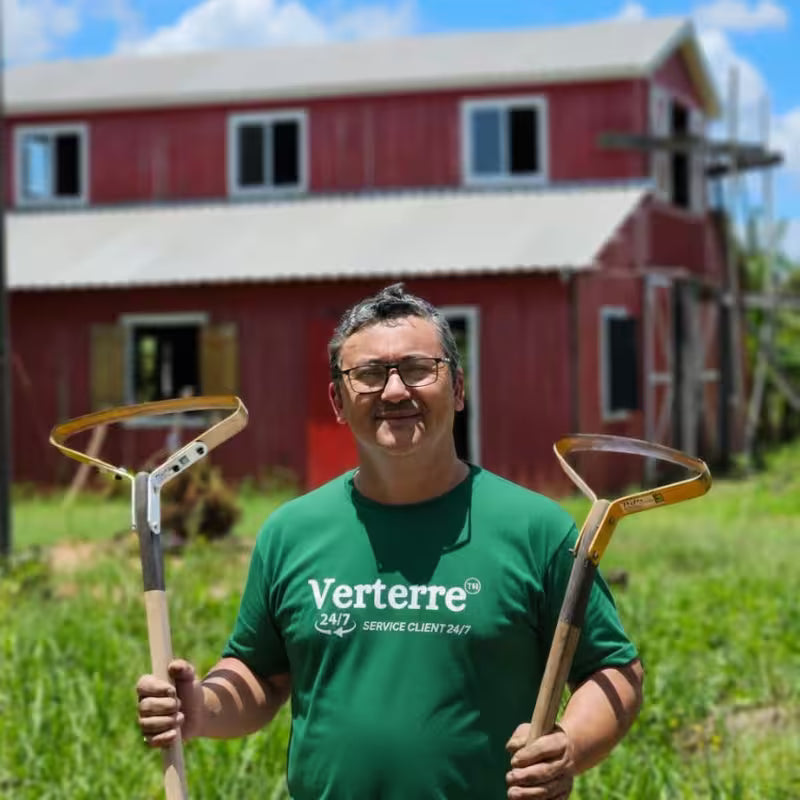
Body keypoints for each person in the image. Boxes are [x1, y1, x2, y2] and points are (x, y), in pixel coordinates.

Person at [137, 283, 644, 799]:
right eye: (370, 375)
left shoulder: (536, 530)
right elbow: (260, 675)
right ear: (337, 401)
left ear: (458, 389)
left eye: (419, 369)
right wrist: (202, 708)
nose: (395, 392)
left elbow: (613, 670)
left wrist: (569, 746)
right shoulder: (292, 532)